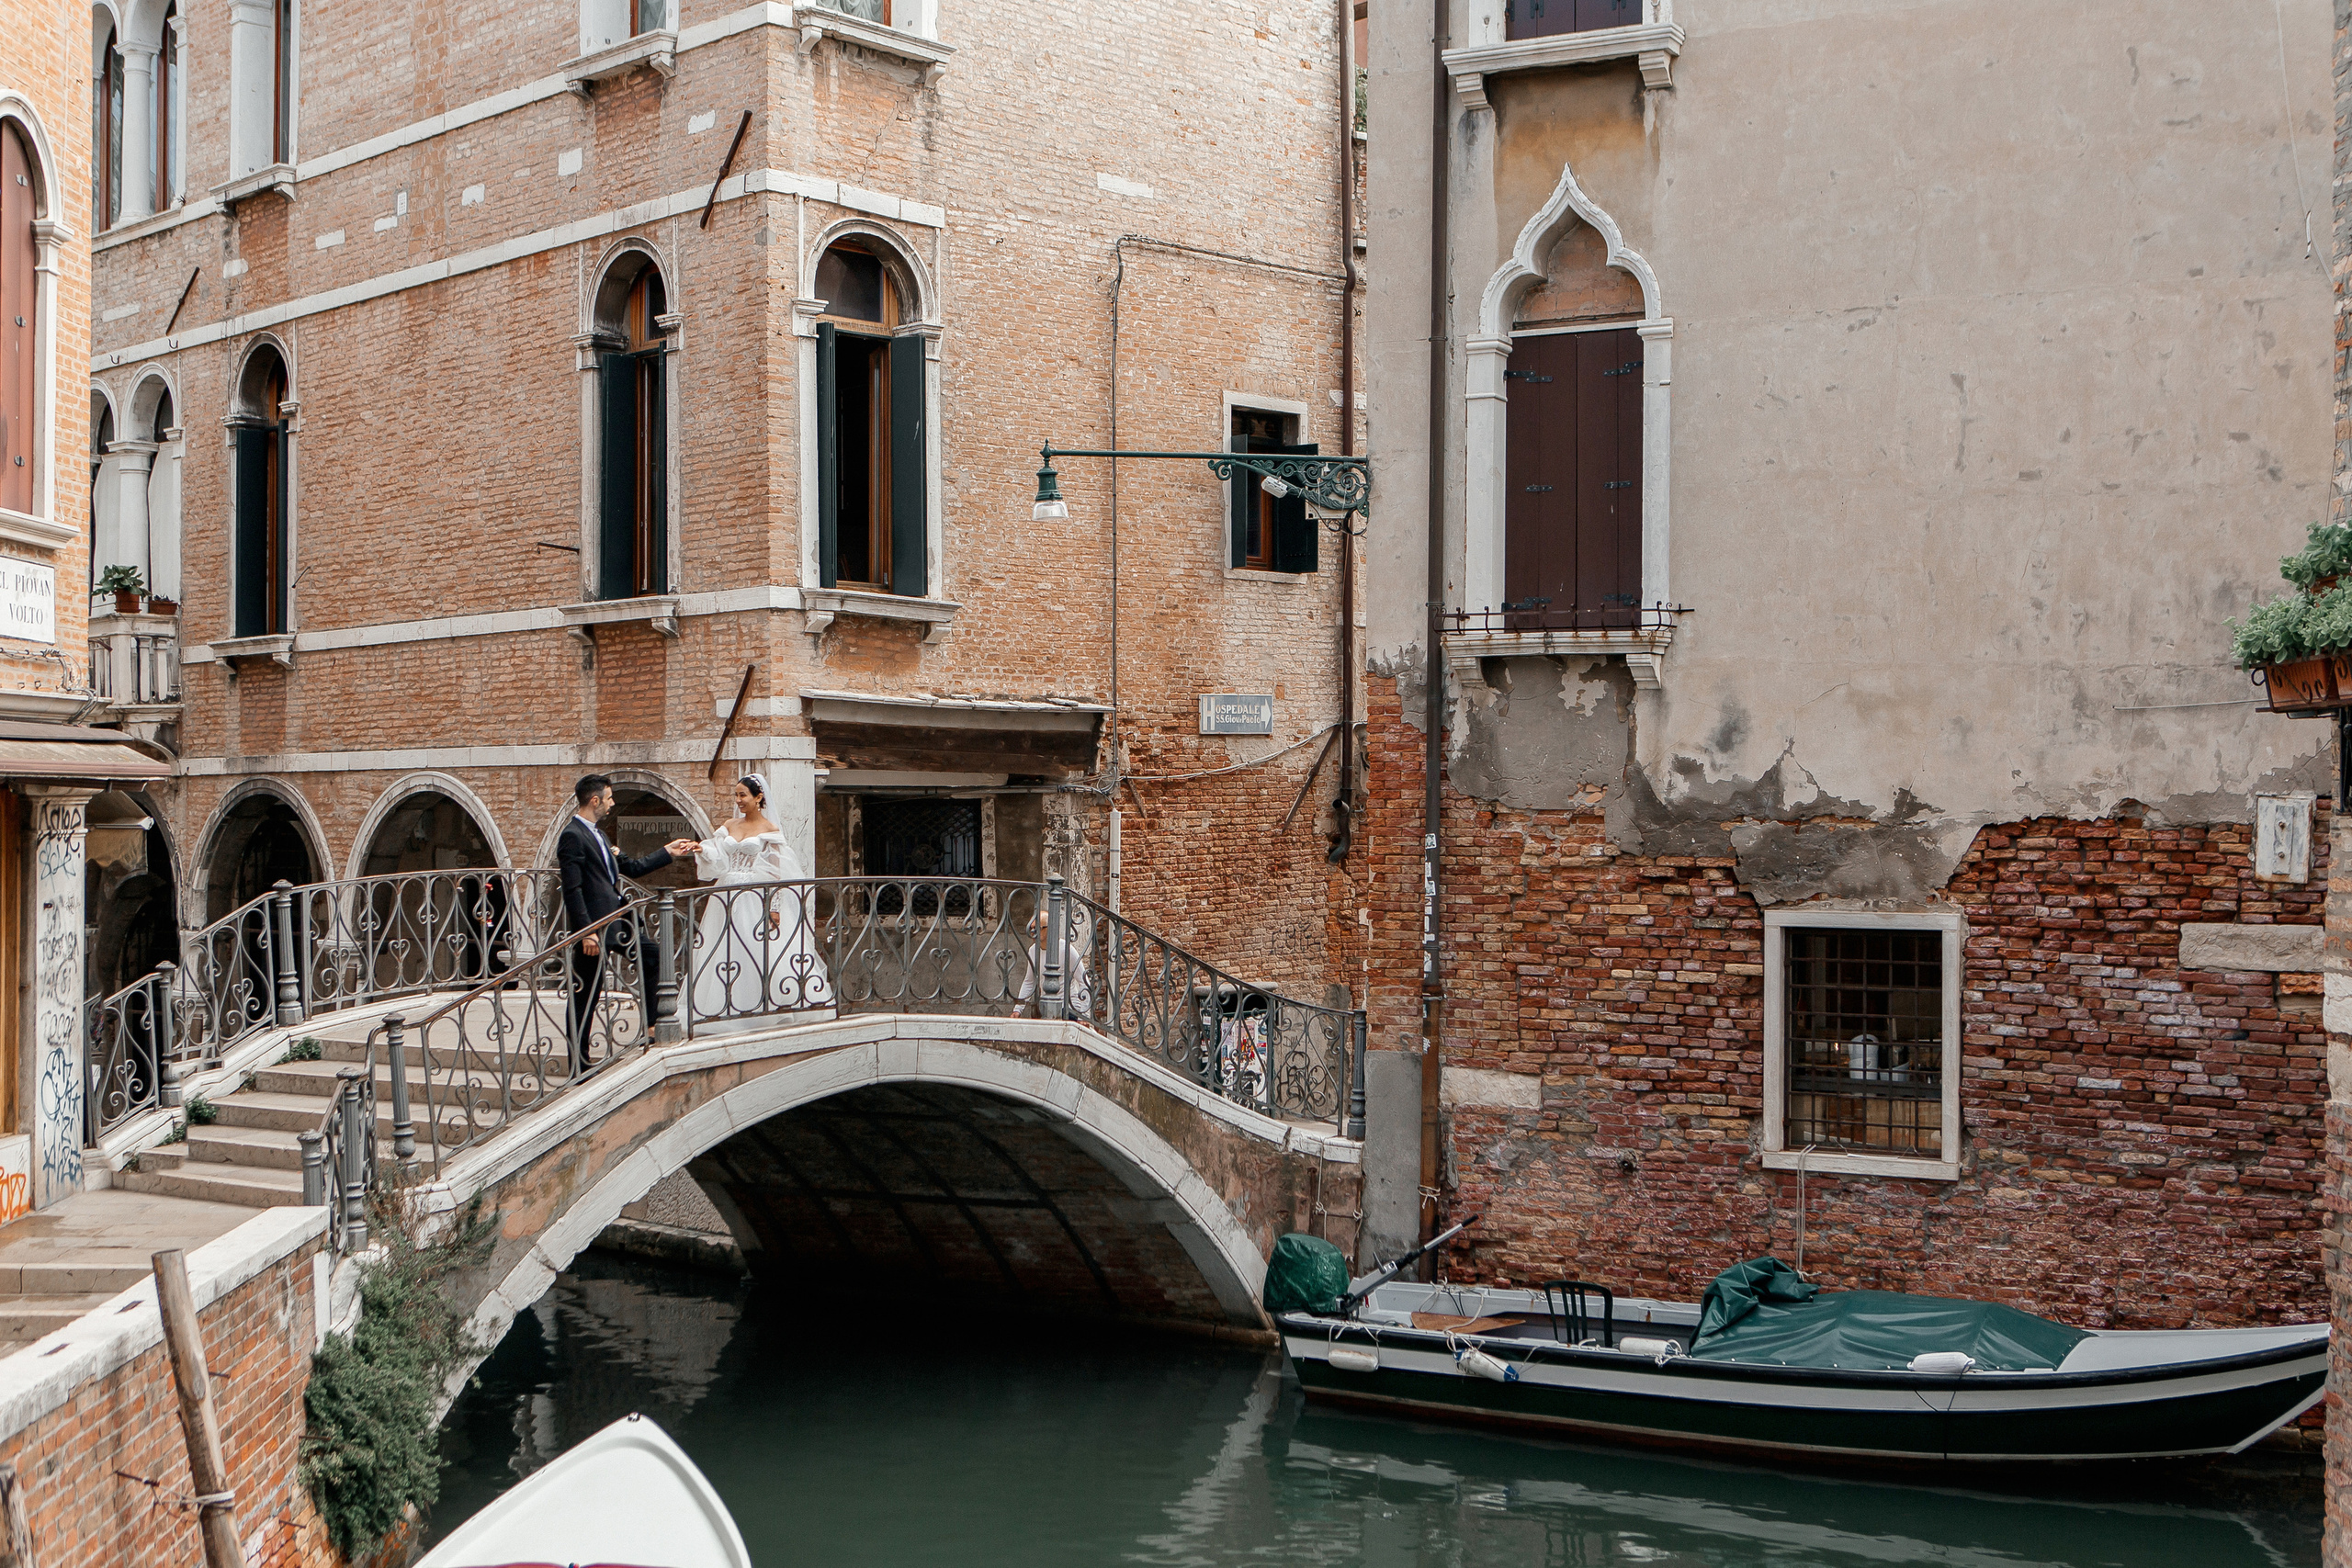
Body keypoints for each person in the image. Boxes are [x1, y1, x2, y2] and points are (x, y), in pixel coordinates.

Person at [558, 775, 697, 1074]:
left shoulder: (600, 836)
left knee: (654, 956)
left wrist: (667, 852)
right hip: (594, 931)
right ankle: (578, 1066)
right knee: (585, 995)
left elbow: (631, 867)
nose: (612, 804)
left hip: (617, 923)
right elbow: (573, 890)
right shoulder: (572, 836)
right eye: (608, 799)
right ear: (594, 800)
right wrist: (588, 933)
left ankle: (650, 1025)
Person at [685, 773, 831, 1018]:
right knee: (725, 948)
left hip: (754, 895)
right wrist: (702, 849)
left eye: (743, 795)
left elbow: (776, 871)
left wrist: (773, 907)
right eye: (736, 795)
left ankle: (767, 1005)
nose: (738, 800)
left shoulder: (769, 829)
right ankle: (722, 1006)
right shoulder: (731, 825)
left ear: (758, 797)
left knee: (757, 948)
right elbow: (719, 855)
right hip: (725, 894)